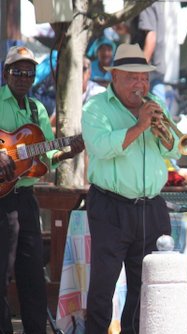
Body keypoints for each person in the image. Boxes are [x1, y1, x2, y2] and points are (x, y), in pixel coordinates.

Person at [81, 43, 181, 333]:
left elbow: (176, 151)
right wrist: (139, 126)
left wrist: (161, 129)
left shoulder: (153, 106)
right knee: (103, 285)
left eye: (144, 78)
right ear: (114, 77)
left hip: (151, 207)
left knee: (145, 287)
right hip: (111, 207)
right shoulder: (95, 109)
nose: (140, 84)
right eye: (132, 77)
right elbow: (100, 148)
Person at [0, 45, 84, 334]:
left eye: (30, 73)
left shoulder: (37, 110)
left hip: (25, 199)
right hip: (1, 203)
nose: (24, 77)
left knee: (33, 274)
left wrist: (66, 153)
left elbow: (44, 157)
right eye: (18, 71)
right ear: (6, 73)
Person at [132, 1, 181, 115]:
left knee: (158, 117)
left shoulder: (145, 4)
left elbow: (151, 39)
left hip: (152, 72)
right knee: (162, 115)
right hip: (162, 70)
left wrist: (138, 71)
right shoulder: (161, 3)